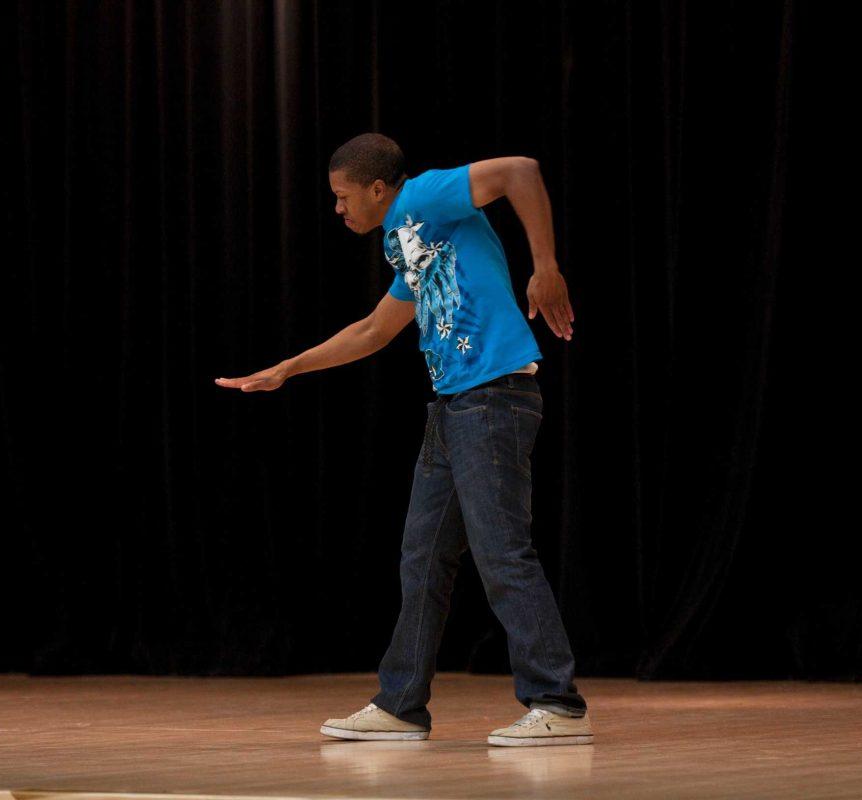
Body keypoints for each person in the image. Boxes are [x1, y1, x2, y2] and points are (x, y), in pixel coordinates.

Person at [215, 132, 590, 746]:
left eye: (343, 196)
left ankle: (558, 703)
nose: (337, 209)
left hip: (493, 397)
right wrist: (288, 368)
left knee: (502, 554)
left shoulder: (424, 197)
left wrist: (545, 268)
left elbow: (521, 170)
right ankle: (400, 704)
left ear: (378, 189)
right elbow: (371, 331)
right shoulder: (408, 241)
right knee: (422, 557)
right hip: (453, 409)